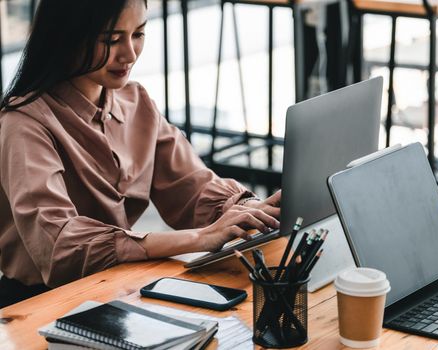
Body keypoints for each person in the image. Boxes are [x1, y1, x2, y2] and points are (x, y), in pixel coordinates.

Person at [0, 0, 281, 308]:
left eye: (139, 33)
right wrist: (198, 238)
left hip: (118, 286)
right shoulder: (24, 123)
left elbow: (192, 186)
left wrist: (248, 209)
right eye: (110, 40)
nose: (130, 54)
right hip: (39, 304)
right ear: (67, 36)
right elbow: (59, 245)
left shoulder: (136, 102)